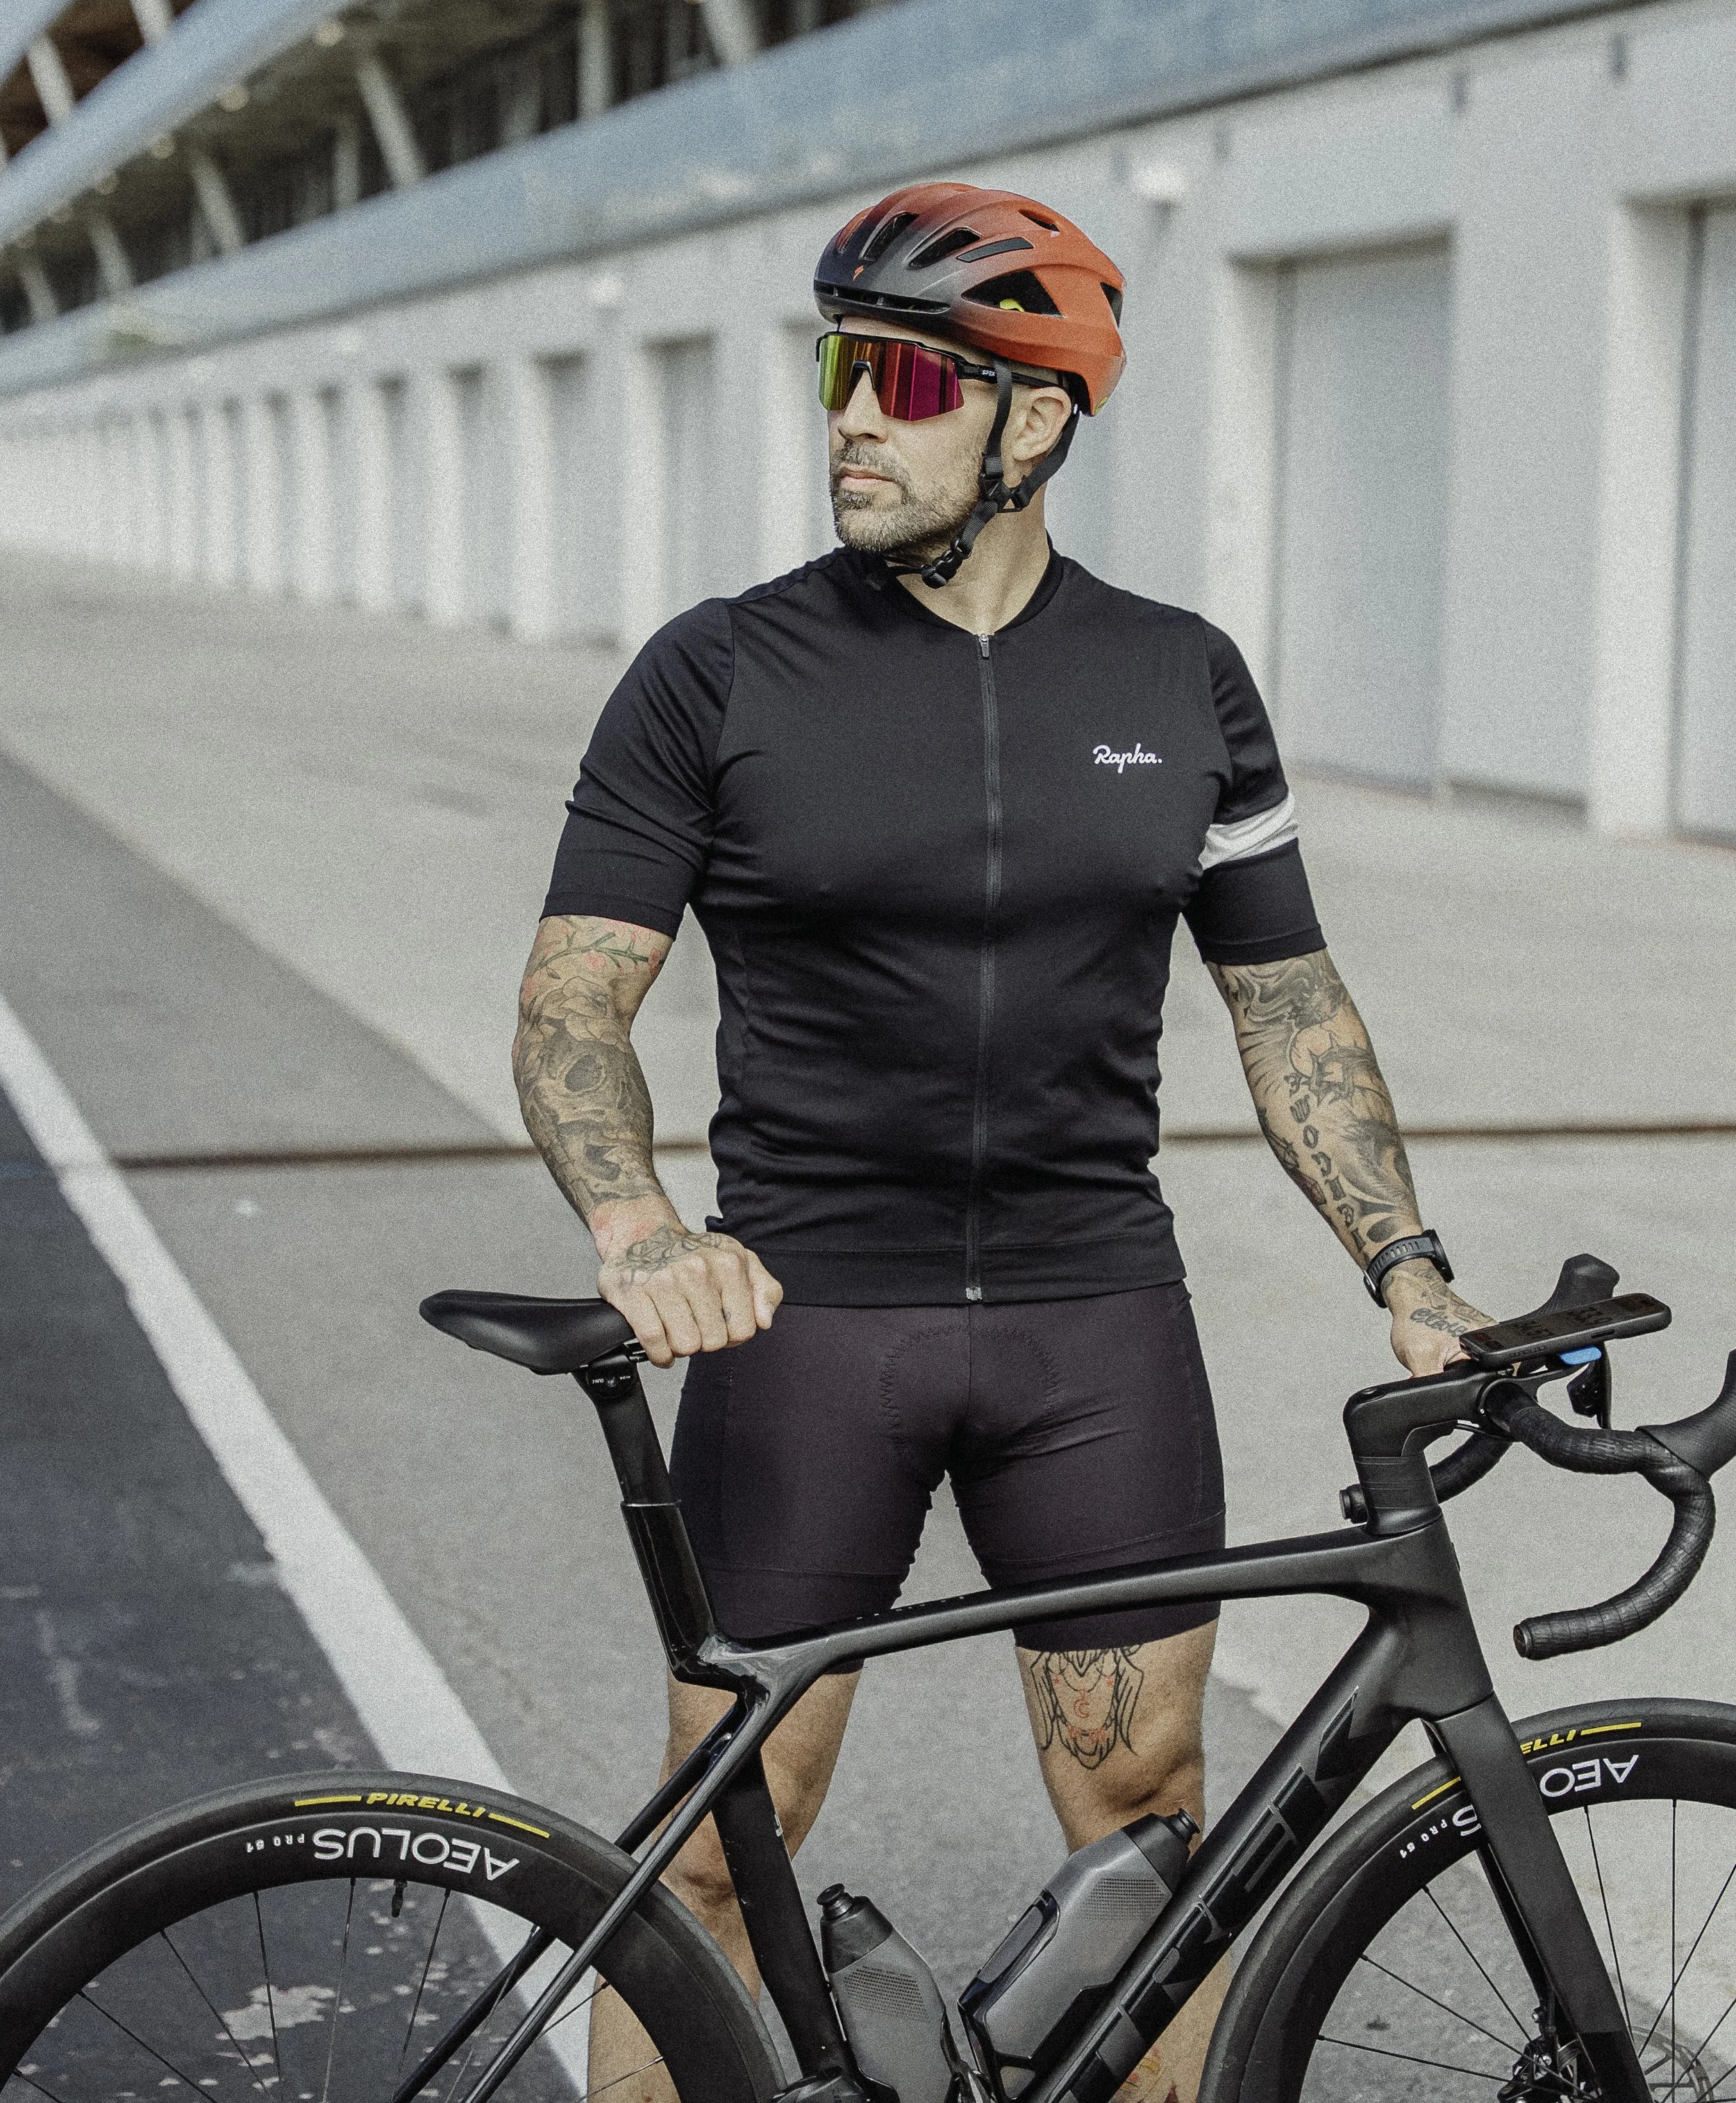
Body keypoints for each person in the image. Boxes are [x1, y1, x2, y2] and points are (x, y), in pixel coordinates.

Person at [513, 181, 1489, 2103]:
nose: (849, 420)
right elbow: (570, 1006)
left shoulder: (1178, 678)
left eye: (900, 381)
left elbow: (1289, 1003)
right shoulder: (717, 673)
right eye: (836, 372)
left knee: (1157, 1838)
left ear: (1034, 417)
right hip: (807, 1313)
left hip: (1089, 1316)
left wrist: (1406, 1262)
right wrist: (640, 1226)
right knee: (714, 1853)